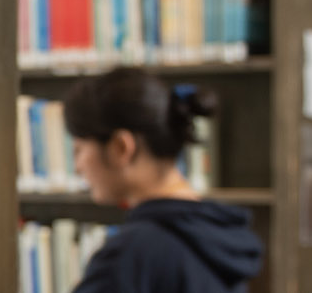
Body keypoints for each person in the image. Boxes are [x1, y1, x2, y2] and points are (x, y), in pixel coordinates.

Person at [61, 68, 264, 293]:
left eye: (79, 149)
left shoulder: (131, 256)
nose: (78, 167)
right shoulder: (219, 239)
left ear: (121, 147)